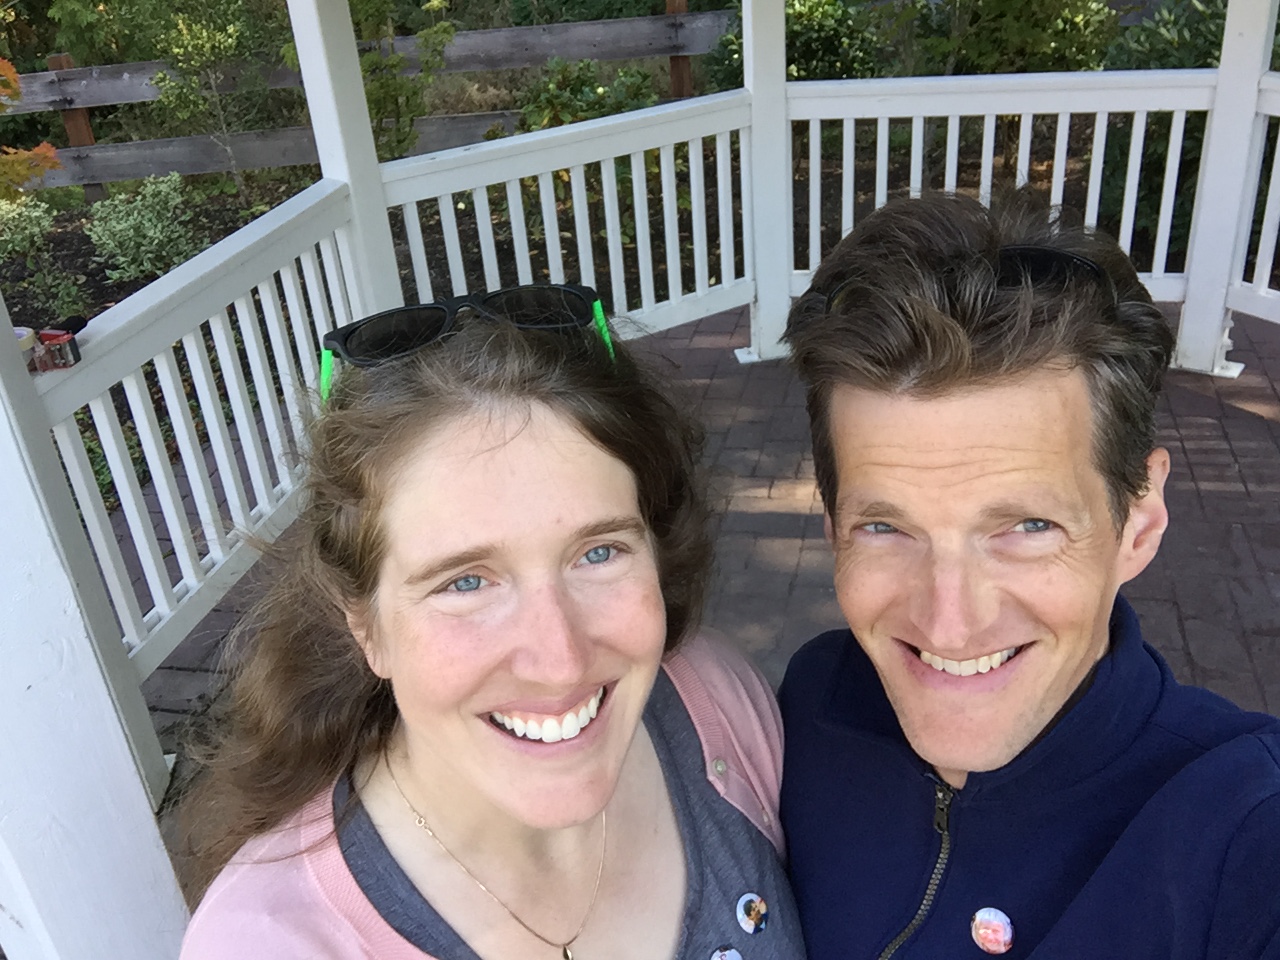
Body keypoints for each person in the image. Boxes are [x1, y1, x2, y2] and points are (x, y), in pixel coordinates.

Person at [176, 285, 806, 960]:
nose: (559, 661)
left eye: (598, 553)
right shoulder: (271, 942)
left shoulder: (718, 707)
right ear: (364, 624)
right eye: (466, 582)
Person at [777, 193, 1280, 958]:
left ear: (1139, 523)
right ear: (832, 527)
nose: (950, 623)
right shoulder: (816, 703)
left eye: (1028, 527)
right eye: (885, 527)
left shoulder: (1243, 827)